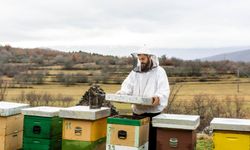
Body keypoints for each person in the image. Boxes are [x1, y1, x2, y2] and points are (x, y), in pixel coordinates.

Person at [116, 49, 170, 150]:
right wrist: (121, 94)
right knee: (137, 144)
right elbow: (127, 86)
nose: (141, 61)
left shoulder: (160, 71)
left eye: (143, 58)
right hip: (137, 114)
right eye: (139, 58)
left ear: (150, 57)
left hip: (153, 115)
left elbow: (164, 89)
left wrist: (158, 97)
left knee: (152, 144)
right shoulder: (135, 72)